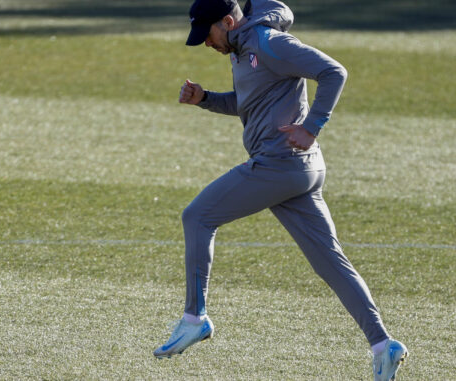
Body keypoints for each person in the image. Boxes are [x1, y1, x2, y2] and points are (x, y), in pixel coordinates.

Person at [153, 0, 408, 379]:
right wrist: (206, 99)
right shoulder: (242, 51)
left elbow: (333, 71)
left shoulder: (268, 42)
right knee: (331, 264)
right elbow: (250, 102)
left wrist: (312, 125)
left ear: (227, 21)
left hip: (279, 164)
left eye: (207, 34)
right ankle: (384, 345)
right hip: (296, 172)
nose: (206, 43)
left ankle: (195, 318)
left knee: (198, 216)